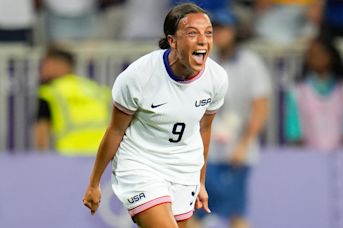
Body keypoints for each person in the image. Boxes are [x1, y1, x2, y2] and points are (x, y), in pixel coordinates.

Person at [82, 3, 228, 228]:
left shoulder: (216, 79)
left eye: (208, 33)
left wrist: (200, 182)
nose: (202, 40)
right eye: (192, 33)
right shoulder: (138, 77)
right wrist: (94, 183)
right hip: (141, 163)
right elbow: (116, 130)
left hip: (183, 166)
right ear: (172, 41)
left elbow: (204, 130)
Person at [190, 9, 271, 228]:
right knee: (194, 213)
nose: (219, 35)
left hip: (236, 152)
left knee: (236, 214)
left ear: (235, 32)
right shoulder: (205, 62)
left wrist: (244, 145)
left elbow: (260, 108)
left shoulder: (250, 63)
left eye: (223, 29)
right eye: (213, 30)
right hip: (208, 150)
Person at [284, 35, 343, 150]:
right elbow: (294, 131)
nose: (313, 58)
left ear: (331, 57)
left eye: (318, 54)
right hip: (307, 156)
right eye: (310, 55)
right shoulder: (296, 91)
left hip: (339, 156)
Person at [34, 46, 111, 155]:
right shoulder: (95, 89)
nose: (42, 70)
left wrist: (41, 162)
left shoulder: (50, 92)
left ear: (61, 65)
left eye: (46, 64)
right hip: (102, 157)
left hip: (69, 159)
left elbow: (41, 136)